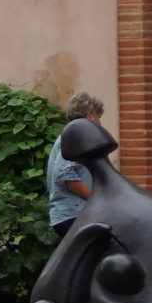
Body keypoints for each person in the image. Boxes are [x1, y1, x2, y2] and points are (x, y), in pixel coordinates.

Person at [45, 91, 106, 230]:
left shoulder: (68, 136)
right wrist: (95, 199)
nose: (100, 122)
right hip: (74, 214)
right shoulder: (76, 136)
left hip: (67, 216)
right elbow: (64, 174)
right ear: (90, 115)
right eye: (98, 117)